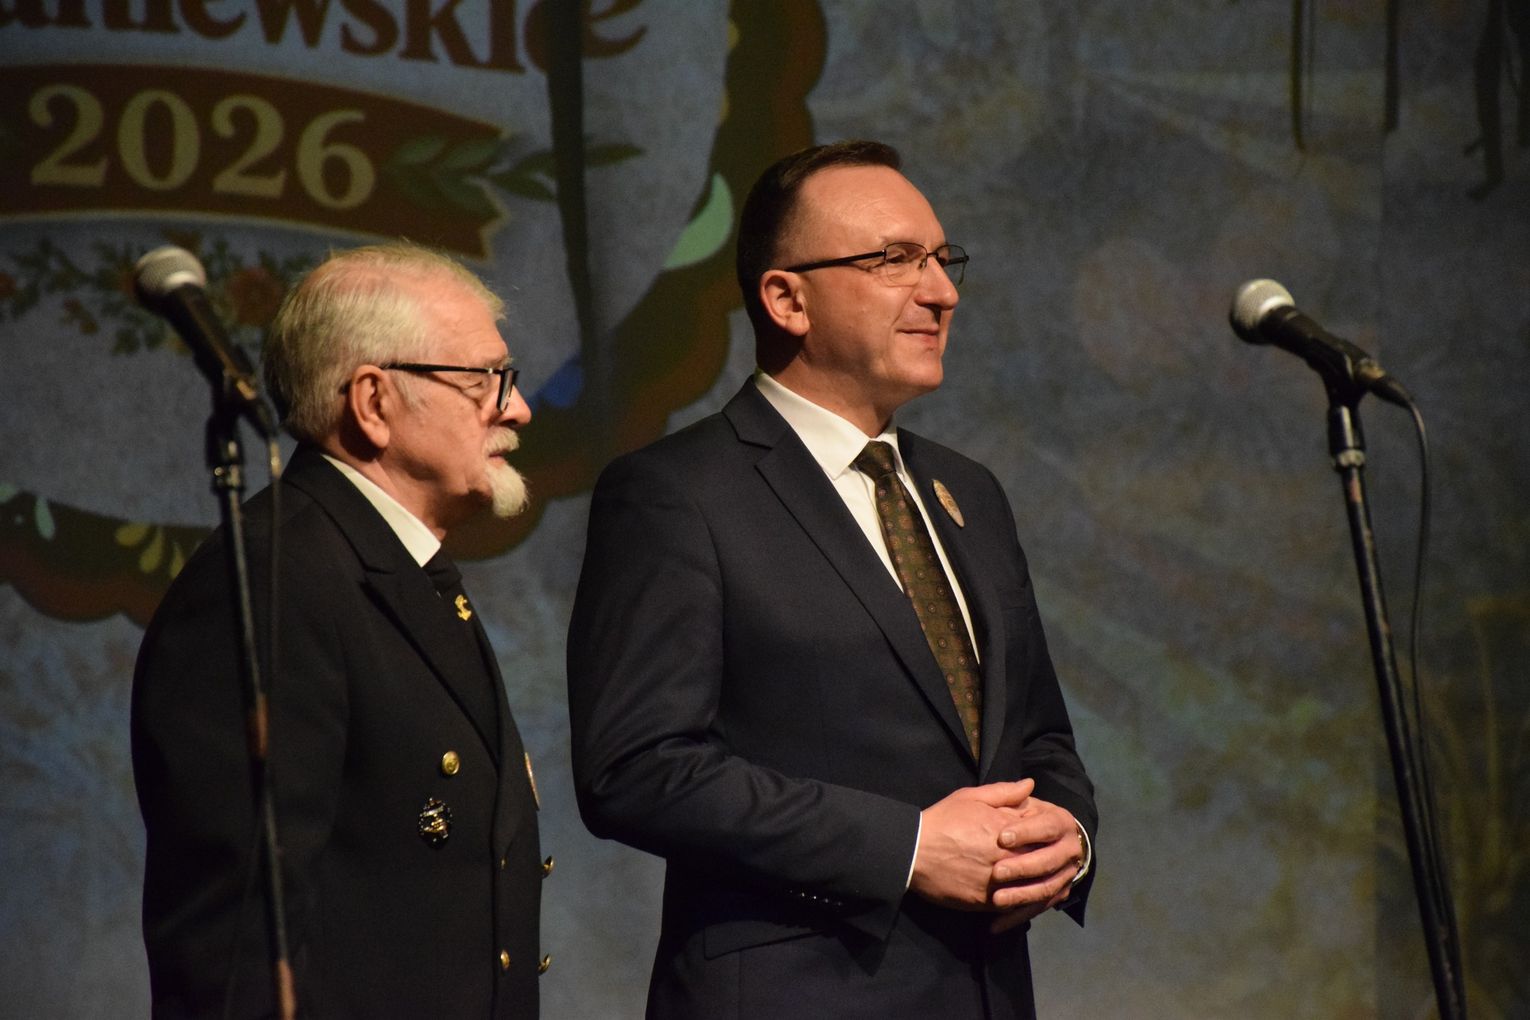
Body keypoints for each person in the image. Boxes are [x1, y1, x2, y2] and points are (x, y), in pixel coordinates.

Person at [567, 141, 1098, 1018]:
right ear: (787, 299)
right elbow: (636, 767)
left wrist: (1068, 834)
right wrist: (907, 847)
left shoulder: (970, 493)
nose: (942, 291)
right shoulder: (677, 494)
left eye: (943, 259)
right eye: (896, 259)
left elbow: (1038, 734)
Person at [132, 241, 548, 1018]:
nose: (515, 408)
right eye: (485, 379)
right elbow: (233, 947)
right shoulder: (276, 581)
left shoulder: (389, 570)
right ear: (373, 402)